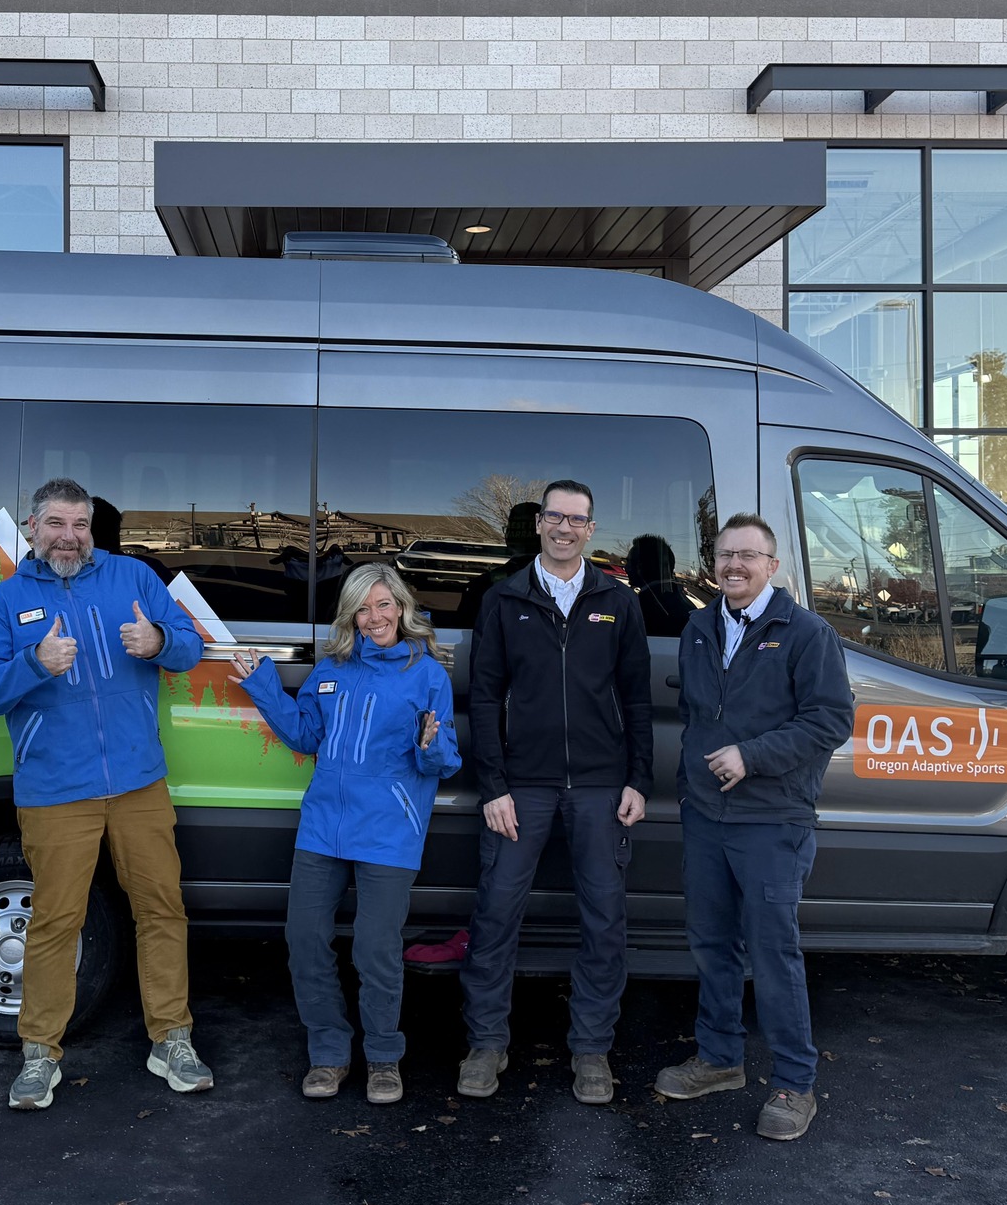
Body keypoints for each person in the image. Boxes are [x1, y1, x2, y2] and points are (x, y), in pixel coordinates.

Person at [0, 478, 209, 1111]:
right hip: (54, 789)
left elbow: (190, 644)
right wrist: (34, 665)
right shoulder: (5, 601)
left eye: (80, 525)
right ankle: (40, 1053)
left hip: (137, 782)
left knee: (162, 909)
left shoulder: (132, 578)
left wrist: (159, 642)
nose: (69, 537)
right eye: (56, 524)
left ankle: (172, 1039)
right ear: (32, 526)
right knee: (55, 922)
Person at [229, 563, 459, 1105]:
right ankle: (329, 1054)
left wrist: (430, 745)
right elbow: (306, 735)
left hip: (388, 829)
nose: (374, 616)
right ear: (351, 614)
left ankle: (383, 1057)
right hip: (324, 827)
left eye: (384, 605)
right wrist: (263, 684)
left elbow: (443, 763)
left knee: (376, 950)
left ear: (402, 608)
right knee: (305, 940)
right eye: (363, 607)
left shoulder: (428, 674)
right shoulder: (333, 667)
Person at [656, 513, 853, 1143]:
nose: (734, 566)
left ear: (773, 566)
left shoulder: (806, 632)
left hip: (772, 819)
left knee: (773, 954)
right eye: (724, 556)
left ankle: (796, 1084)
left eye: (748, 556)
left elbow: (830, 721)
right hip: (707, 817)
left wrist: (753, 755)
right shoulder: (699, 626)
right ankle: (719, 1061)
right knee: (712, 946)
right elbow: (697, 715)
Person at [458, 480, 653, 1106]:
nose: (565, 528)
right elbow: (484, 698)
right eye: (555, 517)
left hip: (600, 786)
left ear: (591, 529)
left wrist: (638, 778)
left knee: (605, 922)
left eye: (578, 519)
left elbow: (638, 698)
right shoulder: (503, 598)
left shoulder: (617, 602)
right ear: (538, 523)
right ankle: (486, 1043)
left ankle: (592, 1049)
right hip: (523, 787)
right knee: (495, 916)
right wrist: (493, 785)